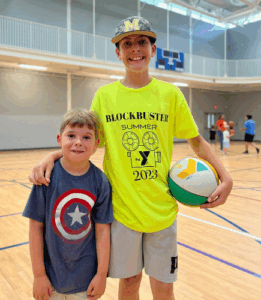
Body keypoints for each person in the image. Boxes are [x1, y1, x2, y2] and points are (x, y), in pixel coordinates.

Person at [29, 16, 233, 300]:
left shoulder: (170, 94)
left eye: (142, 42)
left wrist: (226, 176)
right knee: (129, 284)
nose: (135, 49)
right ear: (118, 52)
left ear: (153, 50)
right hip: (122, 211)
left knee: (163, 288)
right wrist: (51, 156)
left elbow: (195, 140)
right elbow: (86, 139)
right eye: (127, 44)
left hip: (162, 211)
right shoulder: (105, 96)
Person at [23, 108, 114, 300]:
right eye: (71, 135)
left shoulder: (101, 182)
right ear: (59, 139)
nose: (78, 142)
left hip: (85, 279)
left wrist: (101, 274)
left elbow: (103, 231)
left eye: (87, 137)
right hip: (51, 278)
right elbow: (35, 227)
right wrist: (39, 275)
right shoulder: (46, 177)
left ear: (97, 144)